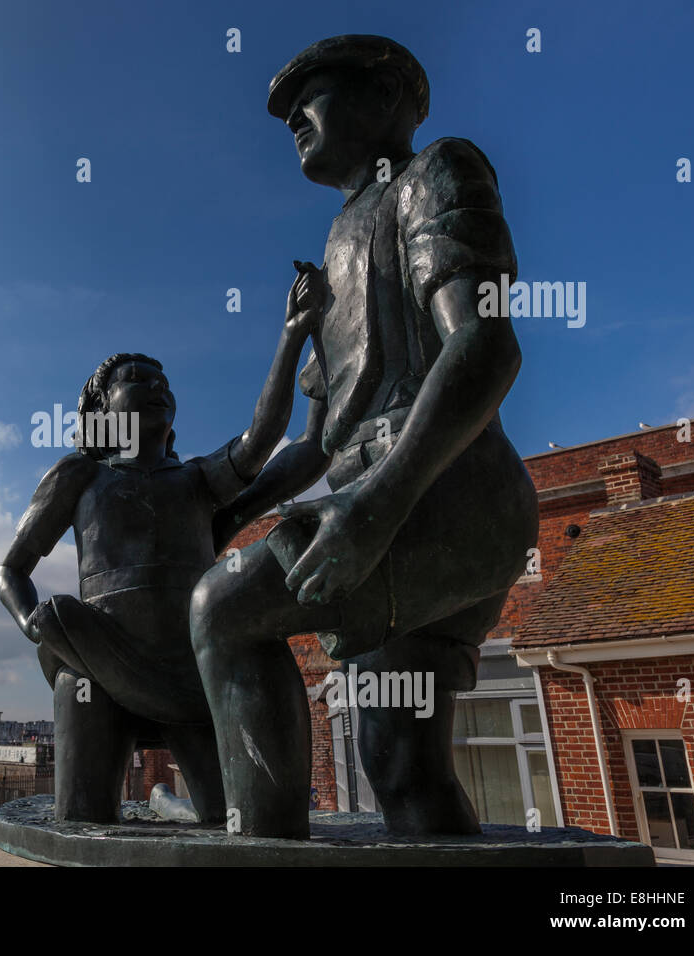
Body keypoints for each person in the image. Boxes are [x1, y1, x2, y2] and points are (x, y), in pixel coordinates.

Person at [191, 35, 539, 838]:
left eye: (310, 94)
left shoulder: (436, 173)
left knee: (222, 608)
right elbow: (316, 443)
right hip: (382, 503)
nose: (291, 119)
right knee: (400, 766)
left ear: (385, 98)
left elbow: (485, 345)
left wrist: (376, 508)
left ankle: (260, 845)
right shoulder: (338, 240)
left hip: (445, 494)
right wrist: (229, 514)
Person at [0, 299, 316, 823]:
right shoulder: (80, 476)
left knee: (227, 816)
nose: (157, 385)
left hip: (189, 664)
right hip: (95, 659)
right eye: (139, 379)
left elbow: (261, 441)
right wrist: (31, 622)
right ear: (101, 410)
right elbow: (11, 569)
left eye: (164, 381)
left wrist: (292, 334)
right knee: (82, 819)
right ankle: (158, 803)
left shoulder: (195, 481)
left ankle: (171, 806)